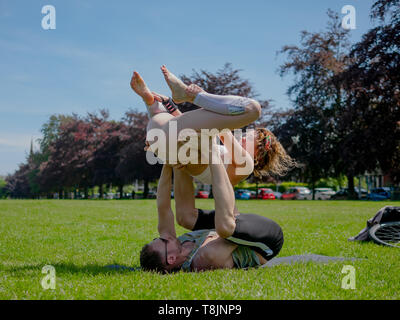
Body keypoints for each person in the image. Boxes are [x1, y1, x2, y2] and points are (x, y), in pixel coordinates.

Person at [130, 66, 295, 188]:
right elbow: (185, 125)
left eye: (249, 138)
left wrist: (200, 98)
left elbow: (221, 130)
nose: (243, 135)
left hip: (168, 140)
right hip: (164, 132)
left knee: (252, 109)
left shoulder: (246, 165)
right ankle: (151, 100)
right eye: (246, 134)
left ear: (258, 155)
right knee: (168, 120)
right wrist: (168, 104)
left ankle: (191, 96)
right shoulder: (220, 148)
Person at [139, 143, 284, 273]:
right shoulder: (205, 258)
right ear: (171, 259)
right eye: (163, 240)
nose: (165, 236)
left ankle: (180, 155)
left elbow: (162, 205)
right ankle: (212, 152)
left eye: (158, 238)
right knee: (225, 228)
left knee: (185, 217)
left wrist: (169, 160)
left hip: (238, 226)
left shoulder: (173, 245)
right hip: (267, 242)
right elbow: (229, 227)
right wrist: (209, 151)